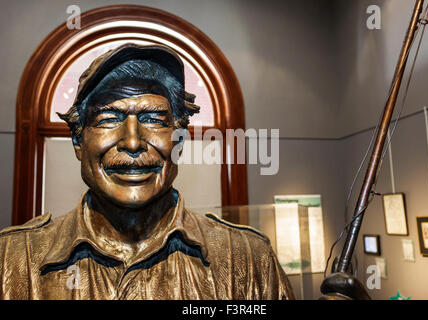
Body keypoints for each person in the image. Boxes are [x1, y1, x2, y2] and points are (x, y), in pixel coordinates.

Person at [0, 43, 294, 300]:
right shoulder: (10, 260)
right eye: (108, 119)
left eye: (154, 119)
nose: (132, 142)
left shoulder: (249, 260)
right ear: (78, 140)